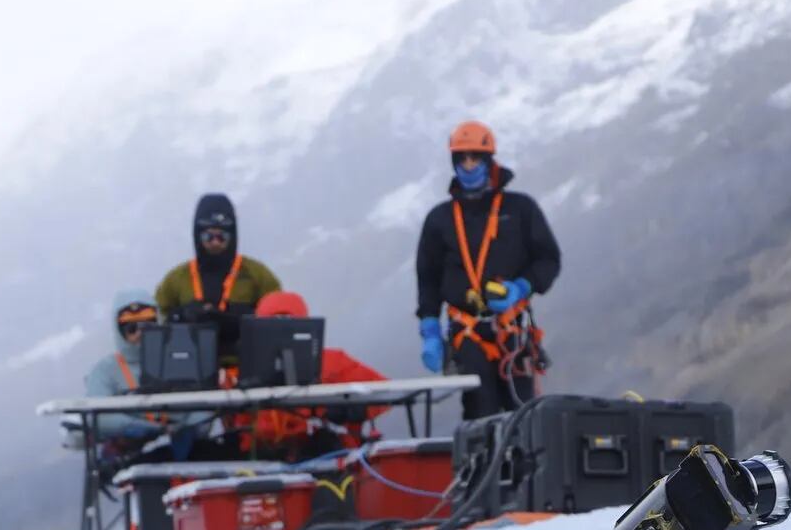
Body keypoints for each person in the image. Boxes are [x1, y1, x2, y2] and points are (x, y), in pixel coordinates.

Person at [415, 120, 561, 420]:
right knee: (480, 413)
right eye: (462, 158)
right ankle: (481, 466)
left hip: (512, 330)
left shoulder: (520, 209)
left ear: (488, 160)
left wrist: (522, 286)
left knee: (523, 415)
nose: (469, 165)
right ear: (454, 162)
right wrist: (429, 328)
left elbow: (548, 259)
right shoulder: (440, 219)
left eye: (475, 158)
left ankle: (523, 468)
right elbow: (427, 277)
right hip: (467, 332)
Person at [236, 291, 388, 459]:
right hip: (260, 458)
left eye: (288, 321)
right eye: (274, 322)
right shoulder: (241, 373)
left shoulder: (333, 362)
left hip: (326, 455)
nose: (281, 329)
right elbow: (231, 419)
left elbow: (384, 391)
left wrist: (352, 408)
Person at [155, 193, 283, 362]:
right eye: (208, 237)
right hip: (191, 371)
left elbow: (281, 317)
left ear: (233, 236)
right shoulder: (176, 279)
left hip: (248, 371)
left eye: (222, 237)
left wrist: (243, 318)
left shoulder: (257, 274)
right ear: (197, 236)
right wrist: (182, 315)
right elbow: (156, 321)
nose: (215, 242)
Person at [83, 289, 182, 463]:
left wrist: (180, 427)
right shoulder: (105, 370)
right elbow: (98, 416)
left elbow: (201, 411)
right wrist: (141, 428)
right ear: (119, 331)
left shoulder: (179, 361)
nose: (140, 334)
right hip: (132, 453)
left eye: (147, 326)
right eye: (131, 328)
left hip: (180, 446)